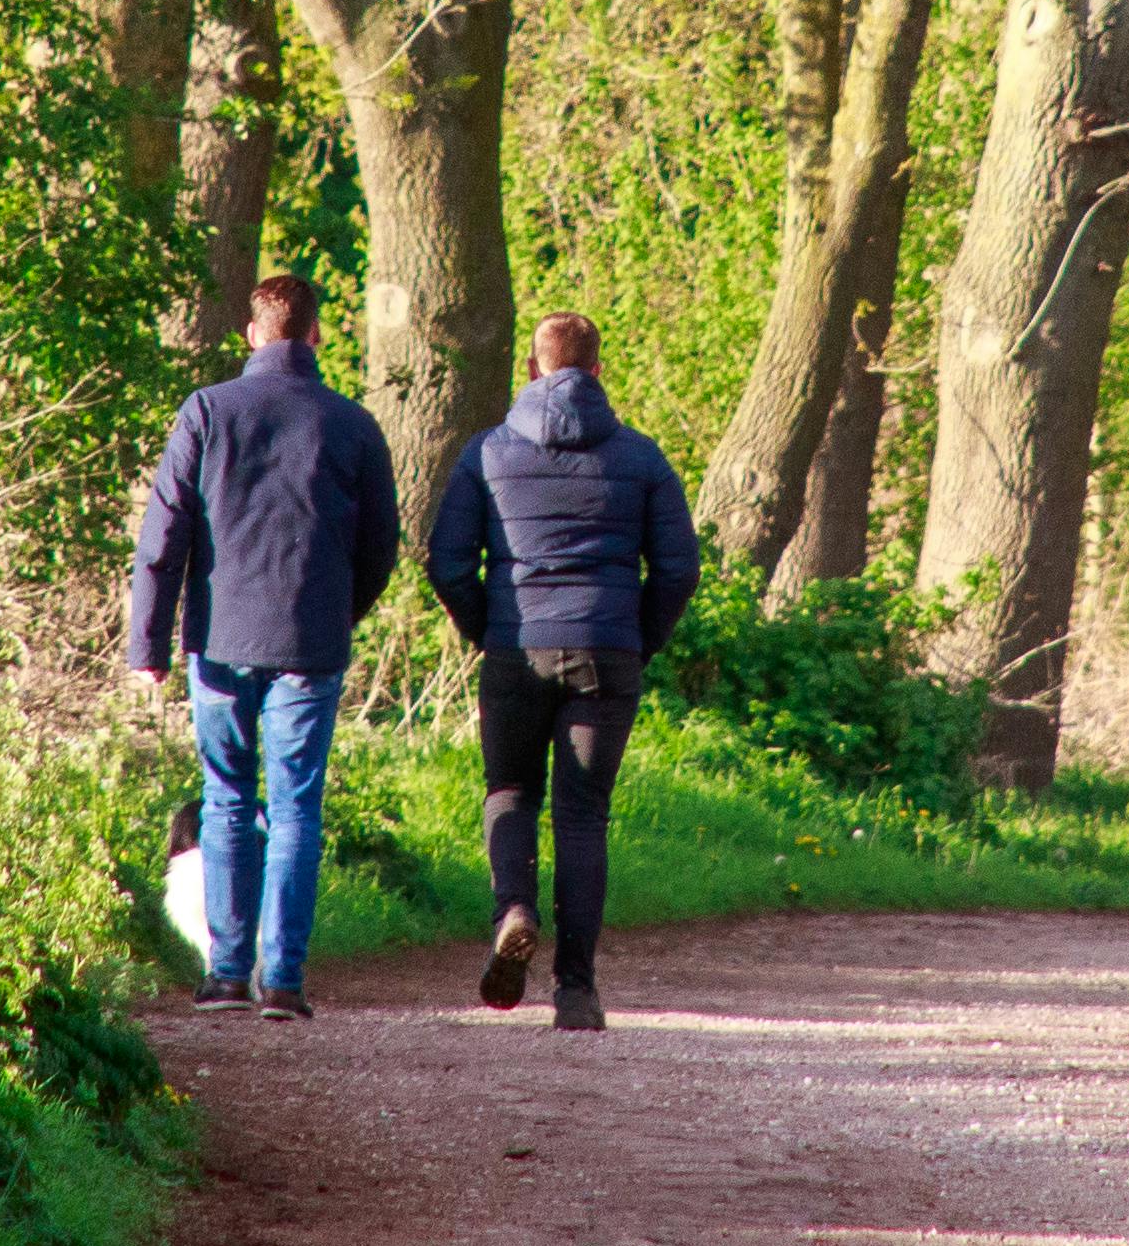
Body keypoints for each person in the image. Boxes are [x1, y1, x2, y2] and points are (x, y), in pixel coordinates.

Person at [128, 270, 407, 1018]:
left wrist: (147, 646)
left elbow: (163, 538)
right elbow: (382, 546)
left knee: (226, 799)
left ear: (253, 335)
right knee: (295, 809)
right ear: (315, 333)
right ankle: (282, 979)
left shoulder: (207, 411)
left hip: (219, 639)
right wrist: (337, 613)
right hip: (310, 642)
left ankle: (226, 973)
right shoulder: (354, 425)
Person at [423, 312, 701, 1031]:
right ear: (598, 372)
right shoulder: (641, 458)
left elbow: (447, 561)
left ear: (533, 368)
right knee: (584, 819)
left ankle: (513, 907)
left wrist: (487, 628)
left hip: (517, 646)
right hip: (607, 653)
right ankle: (575, 991)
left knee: (510, 792)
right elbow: (678, 568)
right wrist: (639, 639)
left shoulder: (486, 454)